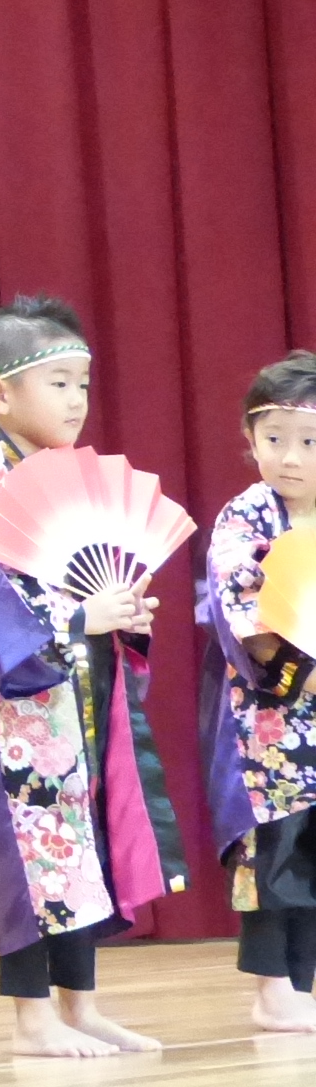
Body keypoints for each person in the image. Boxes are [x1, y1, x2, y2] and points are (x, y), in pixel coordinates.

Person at [0, 297, 181, 1056]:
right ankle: (32, 1017)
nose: (77, 400)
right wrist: (79, 620)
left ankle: (82, 1006)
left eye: (82, 383)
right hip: (11, 696)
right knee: (27, 847)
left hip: (77, 686)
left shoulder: (71, 478)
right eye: (58, 383)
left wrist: (123, 615)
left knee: (80, 842)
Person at [204, 350, 316, 1033]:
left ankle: (303, 983)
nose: (290, 457)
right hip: (268, 720)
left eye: (309, 442)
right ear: (250, 439)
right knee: (273, 845)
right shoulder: (246, 517)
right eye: (274, 438)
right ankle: (273, 987)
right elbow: (243, 610)